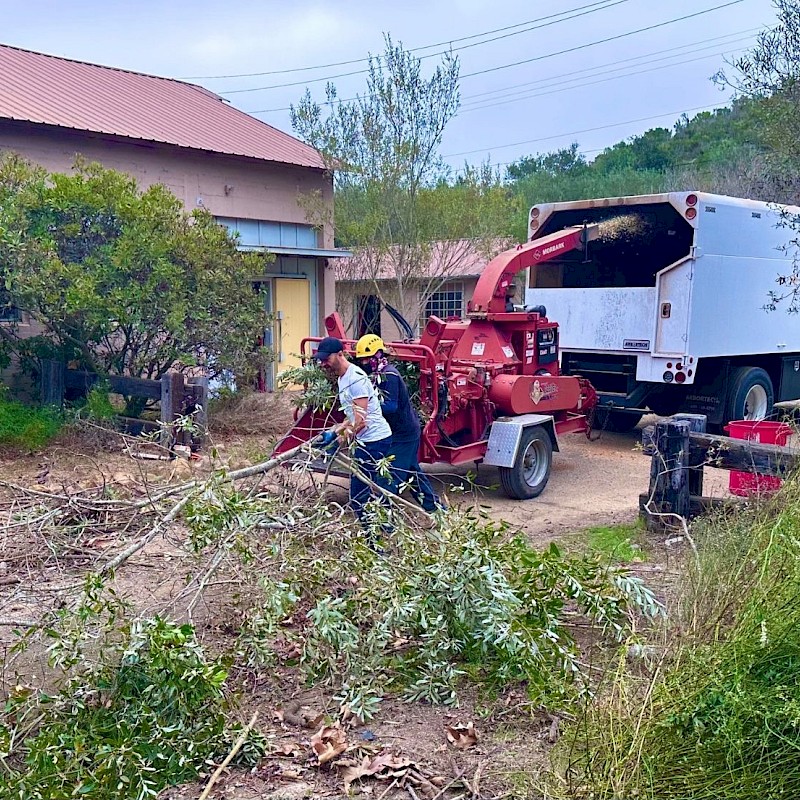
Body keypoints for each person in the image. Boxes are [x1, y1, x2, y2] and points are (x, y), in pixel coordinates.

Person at [313, 336, 394, 537]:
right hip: (367, 440)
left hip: (376, 440)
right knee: (369, 486)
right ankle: (386, 525)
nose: (323, 363)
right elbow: (351, 416)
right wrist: (333, 432)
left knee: (358, 495)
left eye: (326, 359)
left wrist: (338, 442)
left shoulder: (355, 379)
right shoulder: (343, 378)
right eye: (321, 360)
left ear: (340, 354)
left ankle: (374, 539)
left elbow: (360, 422)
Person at [355, 334, 442, 513]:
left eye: (367, 358)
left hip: (404, 434)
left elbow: (391, 406)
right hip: (395, 432)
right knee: (413, 475)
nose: (364, 363)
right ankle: (436, 510)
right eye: (362, 360)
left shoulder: (389, 375)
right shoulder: (376, 375)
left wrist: (365, 407)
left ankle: (383, 519)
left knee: (388, 479)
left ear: (378, 354)